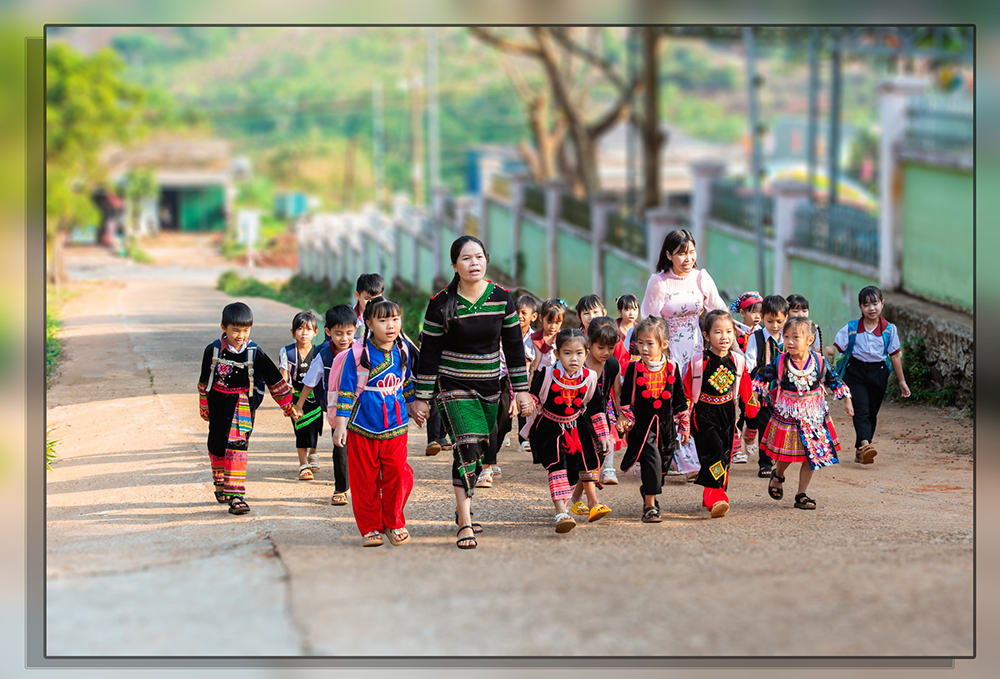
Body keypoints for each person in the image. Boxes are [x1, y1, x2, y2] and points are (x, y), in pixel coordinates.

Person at [412, 236, 534, 550]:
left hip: (490, 386)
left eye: (479, 257)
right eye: (466, 258)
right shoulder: (440, 303)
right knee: (466, 445)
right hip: (452, 386)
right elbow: (429, 354)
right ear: (455, 265)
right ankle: (465, 522)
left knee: (480, 448)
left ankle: (463, 502)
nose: (474, 263)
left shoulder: (501, 298)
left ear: (486, 260)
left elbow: (513, 347)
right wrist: (422, 397)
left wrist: (521, 391)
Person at [638, 228, 727, 479]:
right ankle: (680, 459)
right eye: (680, 253)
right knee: (674, 400)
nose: (688, 258)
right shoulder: (659, 282)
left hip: (696, 350)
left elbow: (718, 311)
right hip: (669, 350)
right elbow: (649, 319)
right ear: (668, 255)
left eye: (691, 252)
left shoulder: (701, 278)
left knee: (695, 399)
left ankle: (694, 453)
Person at [198, 302, 299, 515]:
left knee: (237, 448)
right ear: (223, 328)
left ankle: (236, 496)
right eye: (235, 330)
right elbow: (204, 382)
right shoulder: (213, 350)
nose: (241, 335)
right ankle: (220, 483)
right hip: (218, 405)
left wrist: (288, 405)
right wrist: (204, 405)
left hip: (242, 406)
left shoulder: (254, 352)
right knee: (216, 446)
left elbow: (274, 380)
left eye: (245, 330)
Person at [332, 296, 417, 547]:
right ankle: (370, 527)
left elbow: (406, 382)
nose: (391, 325)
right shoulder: (357, 354)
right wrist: (340, 425)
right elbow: (346, 391)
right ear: (368, 323)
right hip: (362, 425)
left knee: (398, 475)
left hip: (396, 426)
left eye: (395, 319)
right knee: (364, 480)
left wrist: (415, 406)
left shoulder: (403, 349)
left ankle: (393, 522)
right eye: (383, 320)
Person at [755, 316, 853, 510]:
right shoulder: (780, 361)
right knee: (787, 453)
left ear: (810, 340)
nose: (790, 341)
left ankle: (801, 494)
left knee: (812, 456)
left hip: (814, 416)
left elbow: (835, 381)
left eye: (795, 337)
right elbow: (761, 376)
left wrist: (847, 400)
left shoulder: (819, 362)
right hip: (788, 415)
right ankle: (778, 475)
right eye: (786, 337)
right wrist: (754, 396)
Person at [525, 328, 612, 533]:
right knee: (558, 464)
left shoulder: (589, 377)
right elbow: (534, 396)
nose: (574, 358)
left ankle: (592, 503)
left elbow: (596, 408)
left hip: (576, 426)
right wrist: (527, 405)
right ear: (557, 354)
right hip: (549, 427)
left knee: (586, 461)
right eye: (567, 353)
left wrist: (604, 435)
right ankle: (561, 512)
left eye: (579, 353)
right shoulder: (547, 374)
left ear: (586, 353)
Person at [682, 310, 758, 518]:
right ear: (706, 335)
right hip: (703, 413)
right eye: (718, 332)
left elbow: (747, 392)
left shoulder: (738, 361)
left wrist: (752, 417)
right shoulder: (699, 362)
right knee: (714, 451)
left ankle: (713, 495)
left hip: (727, 413)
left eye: (729, 331)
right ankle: (716, 497)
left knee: (724, 456)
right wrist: (683, 422)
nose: (724, 337)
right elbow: (687, 393)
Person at [618, 317, 690, 523]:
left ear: (664, 344)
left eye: (650, 343)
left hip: (666, 430)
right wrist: (625, 419)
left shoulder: (672, 368)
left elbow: (679, 401)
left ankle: (648, 492)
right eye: (640, 342)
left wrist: (684, 425)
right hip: (643, 429)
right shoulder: (633, 368)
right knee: (651, 461)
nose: (644, 348)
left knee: (661, 467)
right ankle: (650, 506)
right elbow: (625, 400)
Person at [830, 285, 910, 465]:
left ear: (882, 304)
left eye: (875, 303)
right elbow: (836, 348)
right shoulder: (851, 328)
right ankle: (866, 444)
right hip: (855, 372)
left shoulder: (889, 330)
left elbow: (895, 355)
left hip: (878, 373)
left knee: (872, 412)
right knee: (861, 409)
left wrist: (902, 381)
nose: (871, 308)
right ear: (860, 307)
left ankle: (861, 449)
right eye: (866, 305)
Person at [295, 305, 357, 505]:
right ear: (328, 332)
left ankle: (368, 487)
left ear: (355, 330)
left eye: (349, 333)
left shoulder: (362, 351)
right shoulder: (324, 355)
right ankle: (341, 488)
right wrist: (299, 405)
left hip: (362, 407)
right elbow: (310, 382)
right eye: (338, 333)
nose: (344, 338)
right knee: (340, 446)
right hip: (337, 409)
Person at [567, 318, 622, 517]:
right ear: (589, 342)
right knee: (586, 457)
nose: (606, 352)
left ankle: (575, 498)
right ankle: (593, 502)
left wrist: (621, 417)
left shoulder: (612, 365)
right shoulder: (578, 363)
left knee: (596, 459)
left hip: (601, 420)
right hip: (577, 419)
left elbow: (617, 394)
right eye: (601, 347)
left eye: (610, 347)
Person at [744, 294, 789, 478]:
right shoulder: (756, 338)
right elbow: (750, 362)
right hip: (764, 392)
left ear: (786, 318)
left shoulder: (789, 338)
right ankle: (765, 463)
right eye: (770, 321)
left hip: (785, 393)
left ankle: (779, 458)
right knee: (766, 427)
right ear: (762, 318)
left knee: (782, 426)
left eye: (779, 321)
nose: (775, 326)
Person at [279, 311, 323, 481]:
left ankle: (313, 453)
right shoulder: (288, 352)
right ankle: (303, 464)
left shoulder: (319, 351)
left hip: (316, 397)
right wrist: (285, 403)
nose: (304, 333)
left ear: (316, 332)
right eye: (300, 329)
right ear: (293, 331)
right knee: (302, 428)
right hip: (296, 397)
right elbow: (283, 377)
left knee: (316, 427)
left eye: (309, 329)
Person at [515, 294, 539, 454]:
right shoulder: (506, 334)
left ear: (534, 316)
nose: (519, 316)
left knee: (525, 407)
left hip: (526, 378)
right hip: (506, 376)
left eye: (524, 313)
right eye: (517, 312)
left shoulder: (534, 338)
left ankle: (524, 439)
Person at [529, 298, 566, 374]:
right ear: (541, 318)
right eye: (549, 322)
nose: (553, 327)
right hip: (538, 376)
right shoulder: (533, 339)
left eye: (557, 323)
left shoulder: (564, 339)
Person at [353, 273, 385, 338]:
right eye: (367, 299)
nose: (372, 303)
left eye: (377, 299)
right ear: (357, 295)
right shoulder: (348, 317)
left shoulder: (387, 315)